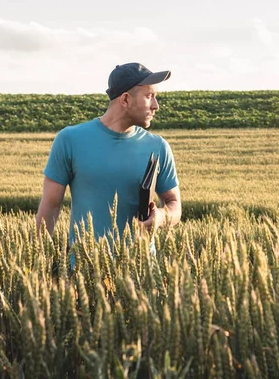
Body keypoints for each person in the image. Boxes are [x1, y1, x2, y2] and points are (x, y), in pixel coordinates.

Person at [35, 62, 182, 259]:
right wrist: (38, 265)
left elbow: (174, 204)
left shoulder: (158, 147)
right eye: (149, 97)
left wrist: (162, 217)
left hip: (141, 274)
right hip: (84, 272)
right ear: (126, 99)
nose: (156, 106)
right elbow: (50, 207)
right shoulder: (70, 140)